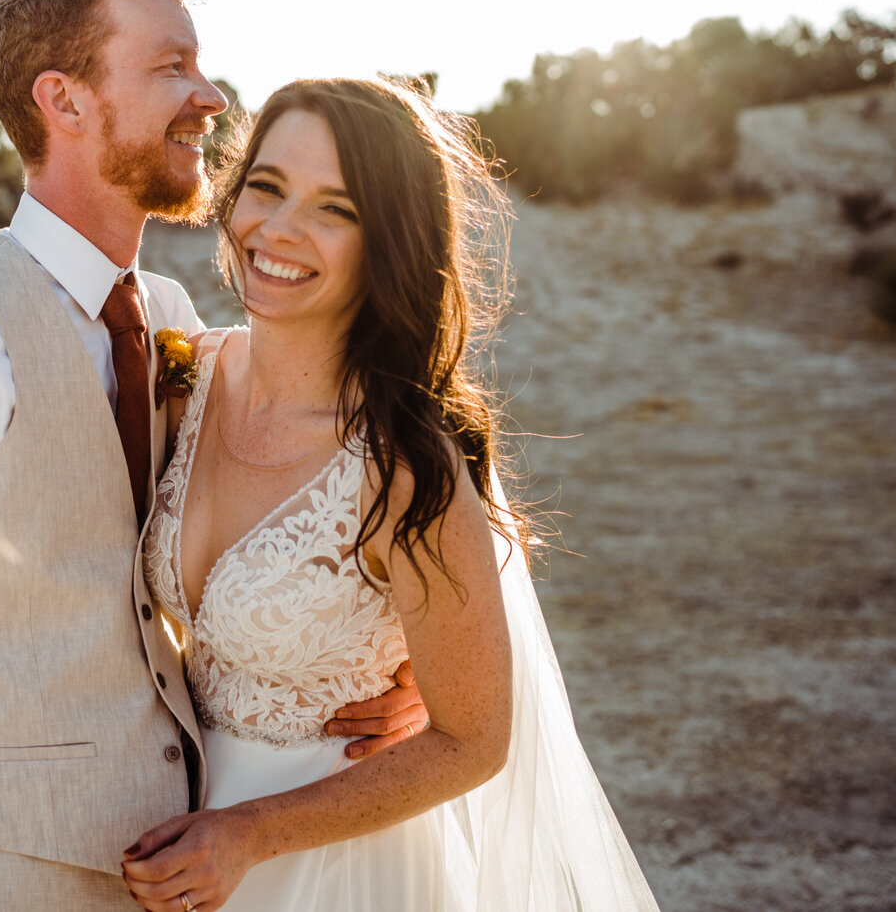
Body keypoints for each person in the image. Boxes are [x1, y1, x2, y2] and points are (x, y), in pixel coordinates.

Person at [0, 0, 428, 911]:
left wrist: (405, 665)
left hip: (202, 859)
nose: (211, 95)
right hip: (17, 869)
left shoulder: (177, 318)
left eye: (199, 64)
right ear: (64, 101)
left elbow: (338, 476)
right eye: (169, 68)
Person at [121, 77, 662, 911]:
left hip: (340, 867)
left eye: (335, 209)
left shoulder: (405, 467)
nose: (279, 228)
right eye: (266, 187)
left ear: (388, 242)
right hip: (184, 844)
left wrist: (252, 832)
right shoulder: (185, 379)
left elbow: (474, 738)